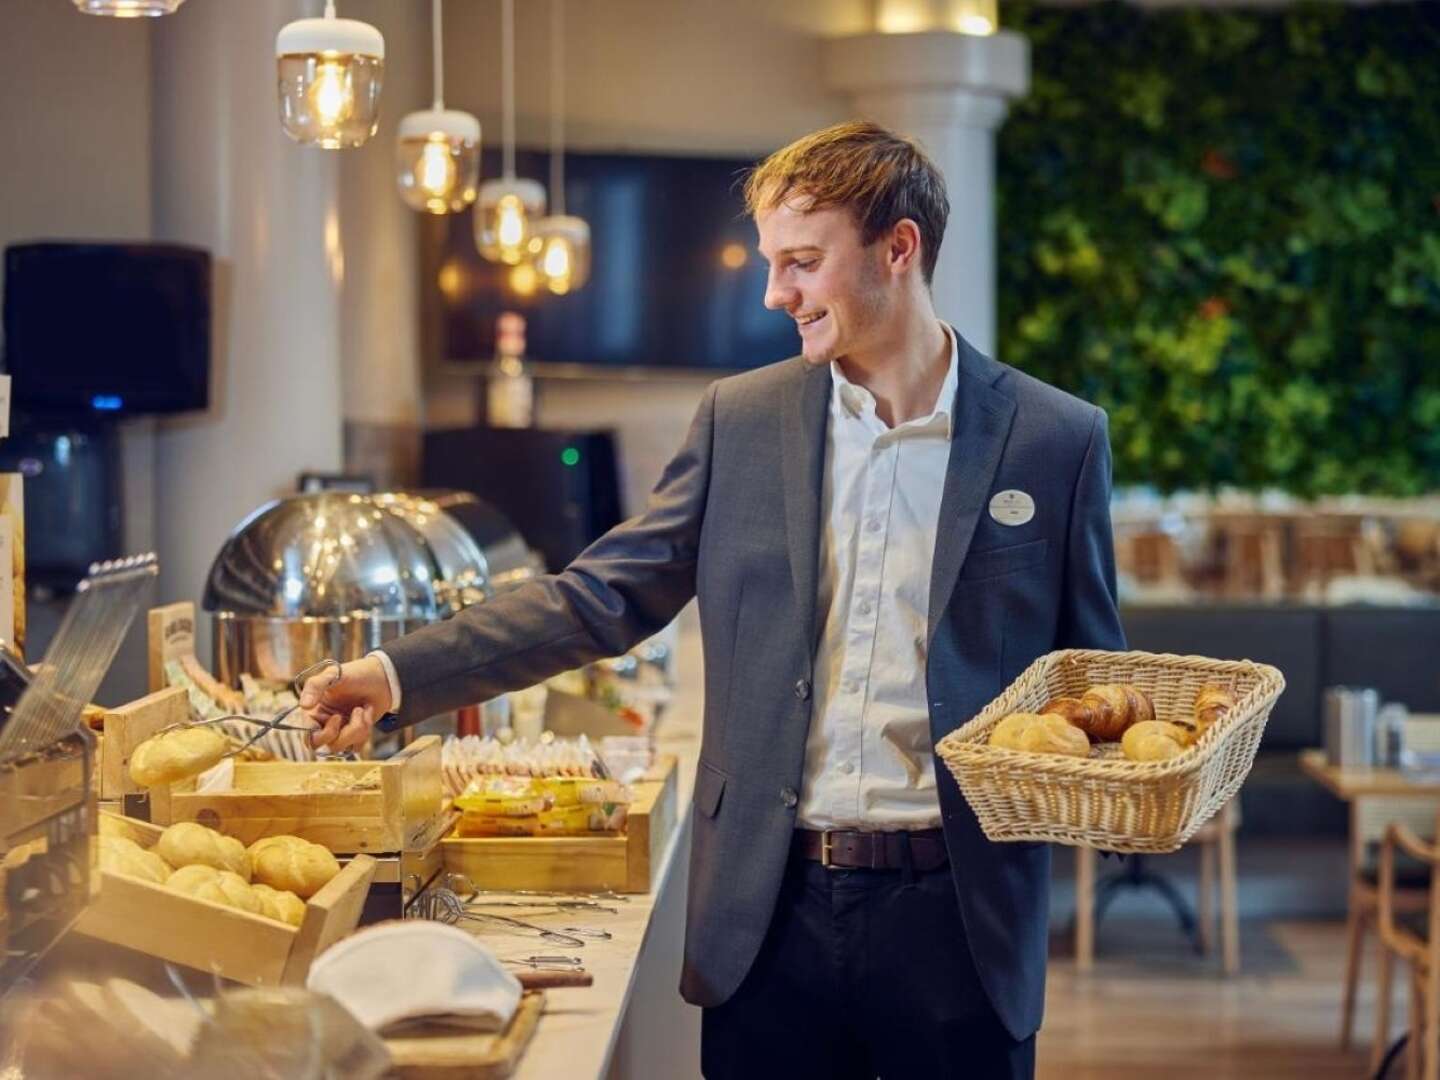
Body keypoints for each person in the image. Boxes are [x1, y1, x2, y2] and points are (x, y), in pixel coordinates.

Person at [300, 120, 1126, 1079]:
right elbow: (596, 597)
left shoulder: (1057, 439)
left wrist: (1136, 791)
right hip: (766, 918)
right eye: (775, 263)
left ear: (898, 249)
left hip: (961, 925)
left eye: (803, 263)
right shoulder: (744, 418)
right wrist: (395, 674)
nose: (777, 294)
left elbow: (1095, 681)